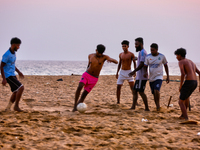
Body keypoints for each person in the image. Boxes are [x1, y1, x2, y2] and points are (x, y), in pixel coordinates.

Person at [72, 44, 118, 112]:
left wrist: (111, 60)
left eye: (101, 53)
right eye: (98, 52)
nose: (99, 54)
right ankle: (74, 105)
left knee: (84, 94)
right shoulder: (90, 55)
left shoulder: (104, 57)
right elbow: (88, 65)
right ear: (96, 50)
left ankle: (78, 106)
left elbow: (116, 62)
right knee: (80, 86)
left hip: (94, 78)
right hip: (87, 74)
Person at [174, 48, 200, 120]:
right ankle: (183, 115)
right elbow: (199, 73)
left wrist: (181, 85)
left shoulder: (181, 62)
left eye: (176, 56)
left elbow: (183, 73)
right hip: (195, 82)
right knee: (186, 97)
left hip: (189, 82)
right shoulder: (191, 62)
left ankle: (186, 118)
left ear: (179, 55)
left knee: (180, 101)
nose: (176, 57)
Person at [1, 37, 24, 112]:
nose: (19, 47)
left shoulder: (14, 53)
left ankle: (8, 108)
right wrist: (4, 79)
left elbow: (12, 65)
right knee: (21, 87)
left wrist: (19, 72)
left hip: (12, 74)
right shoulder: (6, 55)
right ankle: (16, 106)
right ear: (13, 45)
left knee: (15, 91)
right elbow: (1, 66)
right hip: (8, 75)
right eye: (18, 45)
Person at [144, 43, 169, 111]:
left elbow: (166, 66)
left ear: (157, 50)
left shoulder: (162, 56)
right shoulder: (148, 57)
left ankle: (158, 105)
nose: (152, 51)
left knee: (156, 90)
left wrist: (168, 76)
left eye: (153, 50)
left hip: (159, 76)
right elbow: (145, 66)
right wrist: (145, 74)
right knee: (154, 93)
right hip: (151, 77)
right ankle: (157, 105)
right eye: (151, 50)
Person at [128, 37, 149, 111]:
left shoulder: (143, 52)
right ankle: (133, 106)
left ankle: (147, 108)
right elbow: (142, 61)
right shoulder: (141, 52)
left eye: (136, 44)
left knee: (141, 92)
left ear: (140, 44)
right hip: (139, 76)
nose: (135, 46)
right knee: (134, 90)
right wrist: (137, 59)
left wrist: (134, 71)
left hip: (142, 76)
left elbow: (142, 64)